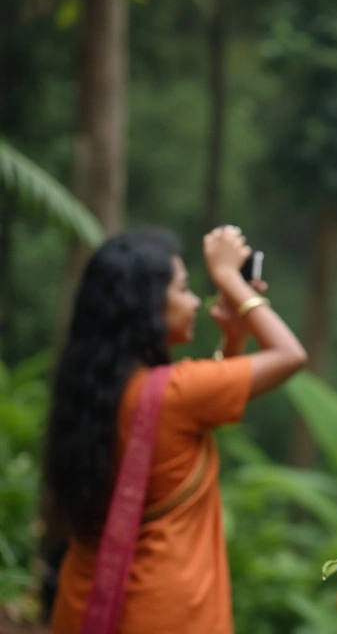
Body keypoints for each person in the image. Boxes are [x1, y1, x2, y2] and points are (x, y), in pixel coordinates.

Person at [42, 226, 307, 633]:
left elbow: (199, 409)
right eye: (184, 288)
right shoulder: (177, 394)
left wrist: (232, 338)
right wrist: (230, 280)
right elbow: (289, 355)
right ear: (148, 307)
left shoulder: (88, 390)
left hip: (86, 602)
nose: (195, 301)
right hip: (166, 610)